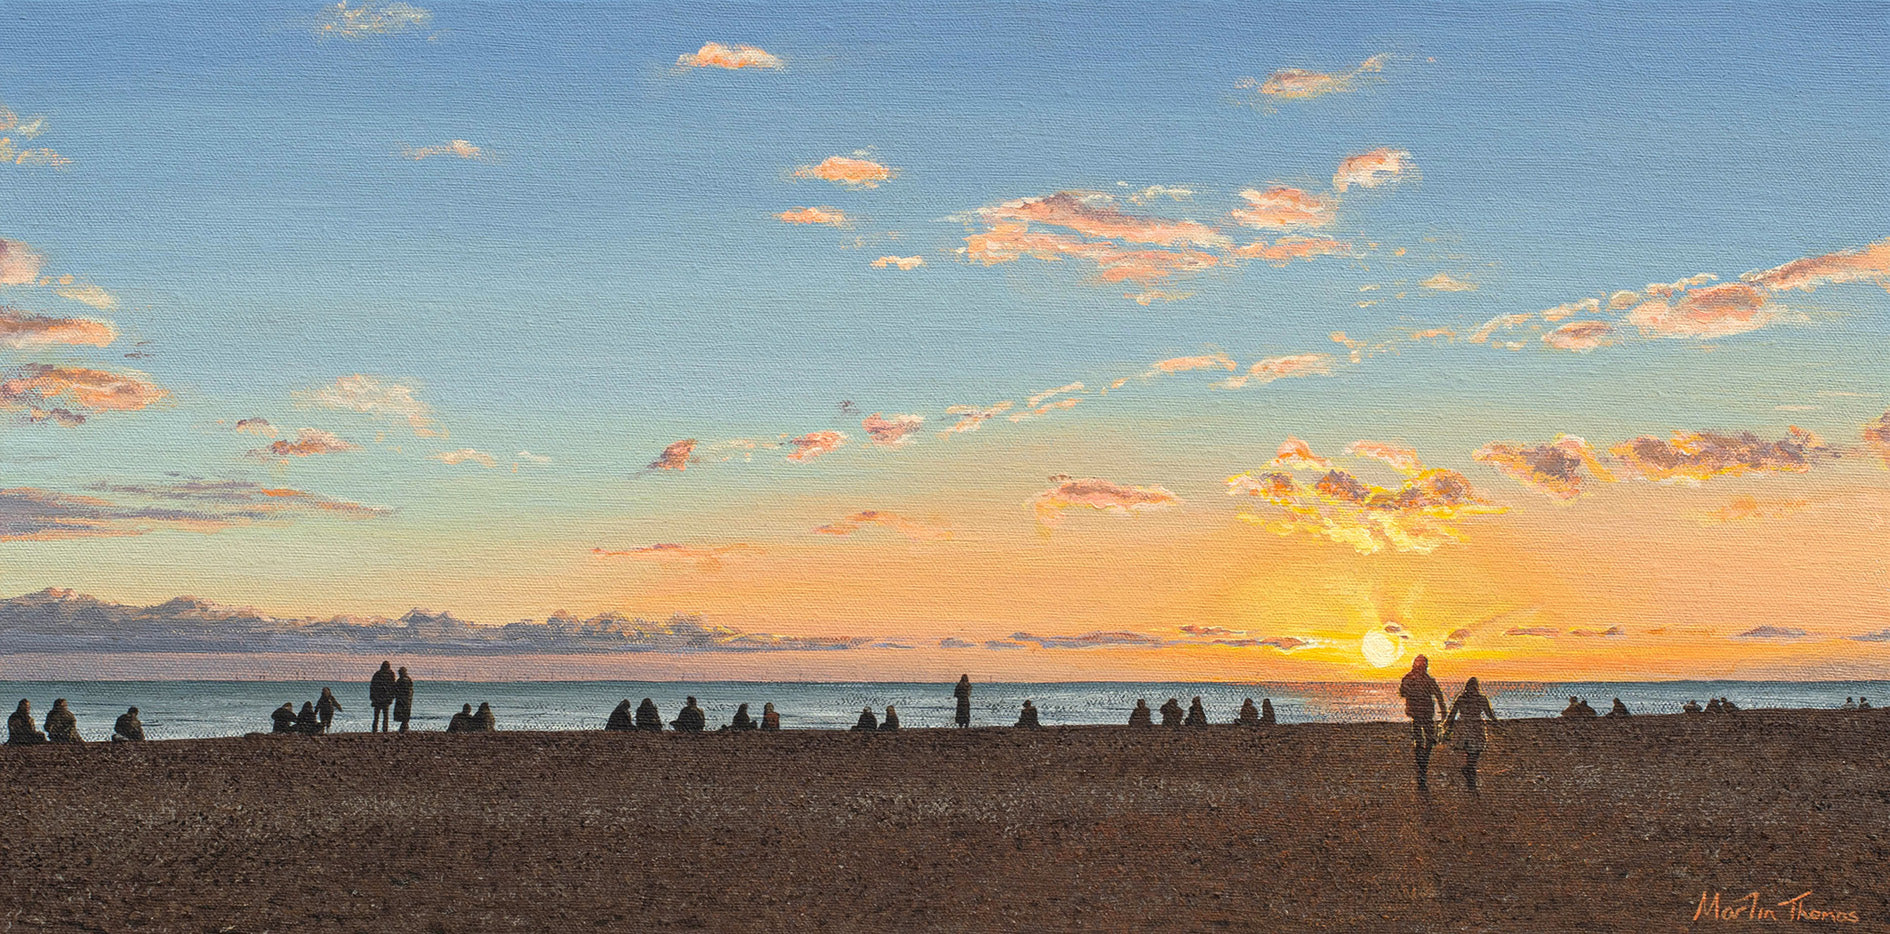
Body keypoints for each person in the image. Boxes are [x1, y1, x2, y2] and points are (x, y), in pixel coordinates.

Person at [1398, 655, 1448, 790]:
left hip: (1423, 712)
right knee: (1422, 740)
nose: (1422, 667)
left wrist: (1444, 712)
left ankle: (1422, 762)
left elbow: (1438, 695)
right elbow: (1403, 692)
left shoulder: (1424, 679)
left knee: (1427, 740)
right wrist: (1443, 711)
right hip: (1419, 712)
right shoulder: (1411, 678)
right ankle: (1421, 765)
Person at [1443, 677, 1498, 792]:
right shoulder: (1481, 699)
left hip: (1465, 728)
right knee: (1474, 754)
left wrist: (1448, 725)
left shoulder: (1462, 698)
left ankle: (1469, 775)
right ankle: (1471, 781)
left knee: (1470, 754)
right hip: (1475, 728)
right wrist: (1496, 722)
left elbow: (1452, 714)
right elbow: (1489, 714)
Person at [368, 661, 397, 732]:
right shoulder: (390, 674)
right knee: (385, 715)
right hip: (385, 698)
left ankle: (375, 730)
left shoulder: (377, 674)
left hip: (378, 698)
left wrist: (372, 698)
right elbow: (393, 686)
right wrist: (392, 696)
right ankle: (384, 730)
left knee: (377, 716)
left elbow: (372, 687)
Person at [393, 667, 415, 733]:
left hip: (402, 699)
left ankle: (404, 727)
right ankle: (404, 727)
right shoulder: (408, 679)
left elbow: (397, 689)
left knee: (403, 713)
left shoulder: (401, 680)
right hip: (407, 699)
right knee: (406, 713)